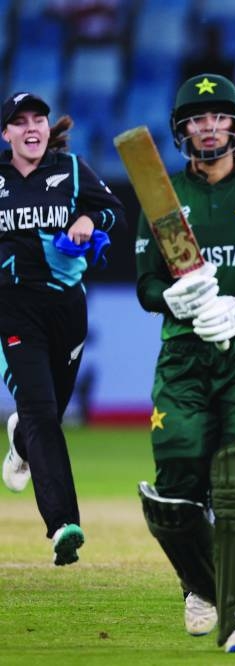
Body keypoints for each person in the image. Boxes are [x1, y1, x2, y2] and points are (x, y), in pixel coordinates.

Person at [135, 73, 235, 654]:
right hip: (184, 356)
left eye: (219, 118)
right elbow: (147, 282)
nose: (209, 127)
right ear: (183, 131)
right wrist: (170, 297)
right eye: (197, 120)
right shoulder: (163, 198)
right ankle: (201, 585)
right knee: (176, 488)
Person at [0, 91, 124, 566]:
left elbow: (117, 212)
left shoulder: (70, 170)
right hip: (14, 310)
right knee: (43, 412)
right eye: (20, 121)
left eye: (39, 119)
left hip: (67, 309)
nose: (32, 127)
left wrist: (90, 220)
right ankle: (63, 524)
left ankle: (19, 441)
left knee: (44, 413)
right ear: (6, 133)